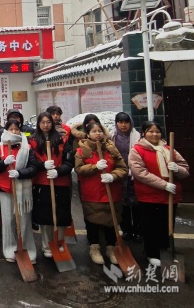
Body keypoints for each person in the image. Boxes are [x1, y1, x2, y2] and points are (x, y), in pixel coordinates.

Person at [128, 121, 190, 267]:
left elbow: (185, 169)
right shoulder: (137, 150)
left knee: (166, 226)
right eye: (150, 131)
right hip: (149, 196)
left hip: (170, 196)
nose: (154, 134)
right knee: (151, 226)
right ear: (143, 133)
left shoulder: (169, 149)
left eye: (157, 131)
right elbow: (140, 173)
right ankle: (152, 253)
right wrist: (164, 185)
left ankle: (165, 250)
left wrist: (177, 169)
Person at [74, 122, 127, 265]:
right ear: (88, 134)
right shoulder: (81, 150)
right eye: (94, 131)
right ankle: (94, 247)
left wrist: (113, 175)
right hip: (92, 192)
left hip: (111, 191)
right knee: (93, 221)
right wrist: (94, 167)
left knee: (111, 221)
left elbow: (123, 168)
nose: (98, 134)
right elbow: (79, 169)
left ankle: (111, 247)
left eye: (100, 131)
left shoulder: (111, 148)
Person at [0, 119, 38, 263]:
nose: (14, 132)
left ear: (20, 130)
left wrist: (20, 173)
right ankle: (10, 249)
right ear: (6, 130)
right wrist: (3, 163)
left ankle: (27, 249)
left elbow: (33, 167)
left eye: (16, 129)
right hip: (6, 189)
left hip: (23, 191)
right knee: (8, 221)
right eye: (11, 129)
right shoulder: (0, 147)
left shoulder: (27, 147)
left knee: (24, 221)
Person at [29, 112, 73, 258]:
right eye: (43, 122)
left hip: (60, 182)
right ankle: (47, 245)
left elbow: (69, 162)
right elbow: (31, 161)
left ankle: (59, 243)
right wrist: (42, 165)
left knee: (61, 215)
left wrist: (58, 171)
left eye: (48, 122)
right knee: (45, 215)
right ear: (38, 124)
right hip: (42, 183)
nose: (46, 125)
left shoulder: (62, 139)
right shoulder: (33, 141)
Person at [109, 112, 142, 243]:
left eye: (126, 122)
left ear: (130, 123)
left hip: (135, 175)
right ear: (116, 123)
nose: (123, 125)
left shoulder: (137, 137)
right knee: (123, 205)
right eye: (120, 122)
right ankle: (127, 230)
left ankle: (138, 231)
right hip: (119, 175)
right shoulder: (111, 137)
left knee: (137, 205)